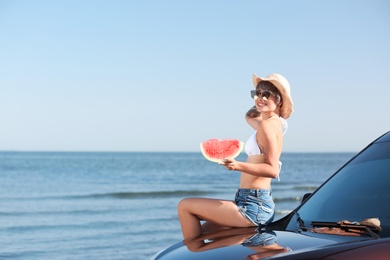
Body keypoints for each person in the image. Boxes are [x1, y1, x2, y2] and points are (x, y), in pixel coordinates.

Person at [177, 73, 294, 240]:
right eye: (256, 93)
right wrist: (262, 103)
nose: (259, 97)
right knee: (203, 234)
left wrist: (237, 165)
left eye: (266, 94)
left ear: (279, 99)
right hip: (251, 201)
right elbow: (249, 116)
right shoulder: (271, 124)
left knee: (185, 206)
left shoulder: (267, 126)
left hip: (254, 205)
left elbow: (273, 170)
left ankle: (192, 253)